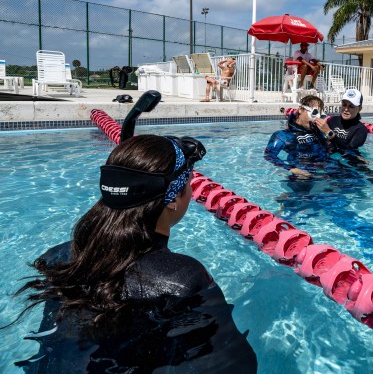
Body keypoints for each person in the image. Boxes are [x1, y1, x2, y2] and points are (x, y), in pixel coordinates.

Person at [9, 135, 257, 373]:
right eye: (189, 184)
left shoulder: (58, 257)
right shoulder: (181, 279)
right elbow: (236, 366)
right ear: (175, 197)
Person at [264, 94, 331, 179]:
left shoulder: (320, 133)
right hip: (299, 175)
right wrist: (292, 169)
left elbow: (330, 151)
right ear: (300, 110)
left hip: (324, 173)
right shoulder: (283, 136)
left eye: (319, 115)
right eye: (313, 114)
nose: (315, 119)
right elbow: (269, 156)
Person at [315, 88, 369, 163]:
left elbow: (348, 150)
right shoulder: (333, 120)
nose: (346, 109)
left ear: (359, 109)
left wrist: (329, 132)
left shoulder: (361, 130)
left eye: (351, 106)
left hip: (347, 161)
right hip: (329, 157)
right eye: (344, 105)